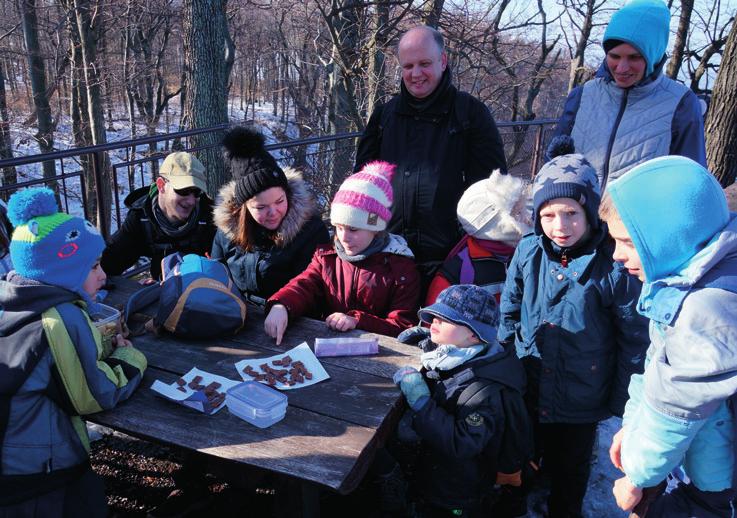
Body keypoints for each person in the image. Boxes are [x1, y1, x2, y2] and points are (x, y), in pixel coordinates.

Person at [497, 137, 649, 518]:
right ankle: (523, 499)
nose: (560, 226)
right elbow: (511, 306)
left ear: (590, 214)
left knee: (570, 466)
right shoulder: (529, 250)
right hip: (529, 379)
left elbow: (632, 337)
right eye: (548, 215)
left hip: (581, 395)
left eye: (571, 214)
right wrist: (504, 361)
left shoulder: (613, 264)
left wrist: (620, 399)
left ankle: (564, 508)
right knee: (525, 449)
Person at [601, 156, 737, 517]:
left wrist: (636, 475)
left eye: (628, 242)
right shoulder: (683, 282)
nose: (617, 255)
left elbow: (673, 413)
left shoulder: (705, 308)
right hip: (701, 457)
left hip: (715, 487)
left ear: (672, 235)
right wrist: (631, 427)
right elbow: (656, 370)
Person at [0, 187, 147, 517]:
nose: (103, 274)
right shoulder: (61, 319)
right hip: (40, 470)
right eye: (94, 266)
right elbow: (97, 393)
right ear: (62, 272)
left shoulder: (14, 305)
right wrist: (130, 357)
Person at [354, 25, 508, 289]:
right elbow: (363, 184)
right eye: (408, 66)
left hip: (452, 260)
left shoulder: (471, 114)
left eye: (424, 63)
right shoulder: (384, 116)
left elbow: (493, 190)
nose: (416, 74)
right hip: (390, 258)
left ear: (443, 61)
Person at [392, 284, 526, 517]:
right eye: (435, 316)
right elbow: (450, 370)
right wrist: (430, 343)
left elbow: (462, 442)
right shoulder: (460, 353)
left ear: (474, 334)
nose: (434, 321)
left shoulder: (485, 391)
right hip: (434, 472)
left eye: (446, 319)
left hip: (456, 490)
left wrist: (421, 401)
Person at [552, 0, 706, 190]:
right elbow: (552, 167)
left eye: (634, 57)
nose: (622, 68)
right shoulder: (582, 96)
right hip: (577, 218)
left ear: (654, 55)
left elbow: (691, 183)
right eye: (614, 56)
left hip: (640, 219)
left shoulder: (681, 104)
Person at [264, 161, 420, 343]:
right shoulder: (327, 258)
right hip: (330, 346)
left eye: (353, 229)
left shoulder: (401, 270)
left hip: (380, 357)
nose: (343, 237)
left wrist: (357, 320)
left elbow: (403, 327)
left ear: (375, 228)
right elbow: (304, 285)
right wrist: (281, 305)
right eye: (338, 227)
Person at [211, 126, 330, 302]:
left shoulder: (311, 231)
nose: (273, 212)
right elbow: (217, 275)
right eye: (261, 207)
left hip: (292, 315)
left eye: (280, 201)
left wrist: (282, 306)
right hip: (237, 312)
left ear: (287, 194)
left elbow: (312, 287)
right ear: (243, 207)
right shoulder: (227, 232)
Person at [101, 151, 216, 280]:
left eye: (197, 192)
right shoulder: (141, 217)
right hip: (162, 290)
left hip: (203, 290)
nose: (191, 201)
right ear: (161, 185)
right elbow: (109, 263)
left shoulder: (210, 216)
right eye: (183, 191)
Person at [425, 170, 532, 305]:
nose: (527, 219)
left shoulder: (526, 254)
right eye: (516, 213)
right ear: (493, 224)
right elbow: (435, 323)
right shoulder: (458, 272)